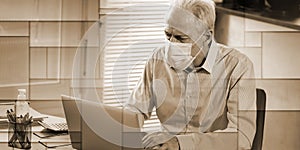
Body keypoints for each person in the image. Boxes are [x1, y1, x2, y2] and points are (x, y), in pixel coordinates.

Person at [126, 0, 256, 149]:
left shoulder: (238, 66)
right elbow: (135, 110)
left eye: (181, 38)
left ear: (207, 37)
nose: (171, 44)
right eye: (168, 35)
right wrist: (123, 127)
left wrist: (180, 143)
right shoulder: (158, 59)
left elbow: (241, 137)